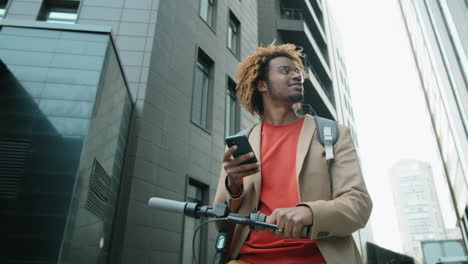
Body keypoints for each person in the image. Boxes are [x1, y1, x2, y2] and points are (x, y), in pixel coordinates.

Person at [213, 43, 372, 264]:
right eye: (285, 70)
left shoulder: (333, 133)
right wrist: (234, 186)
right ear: (261, 85)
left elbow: (359, 205)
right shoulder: (242, 145)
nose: (297, 75)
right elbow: (218, 221)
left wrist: (310, 212)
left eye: (297, 71)